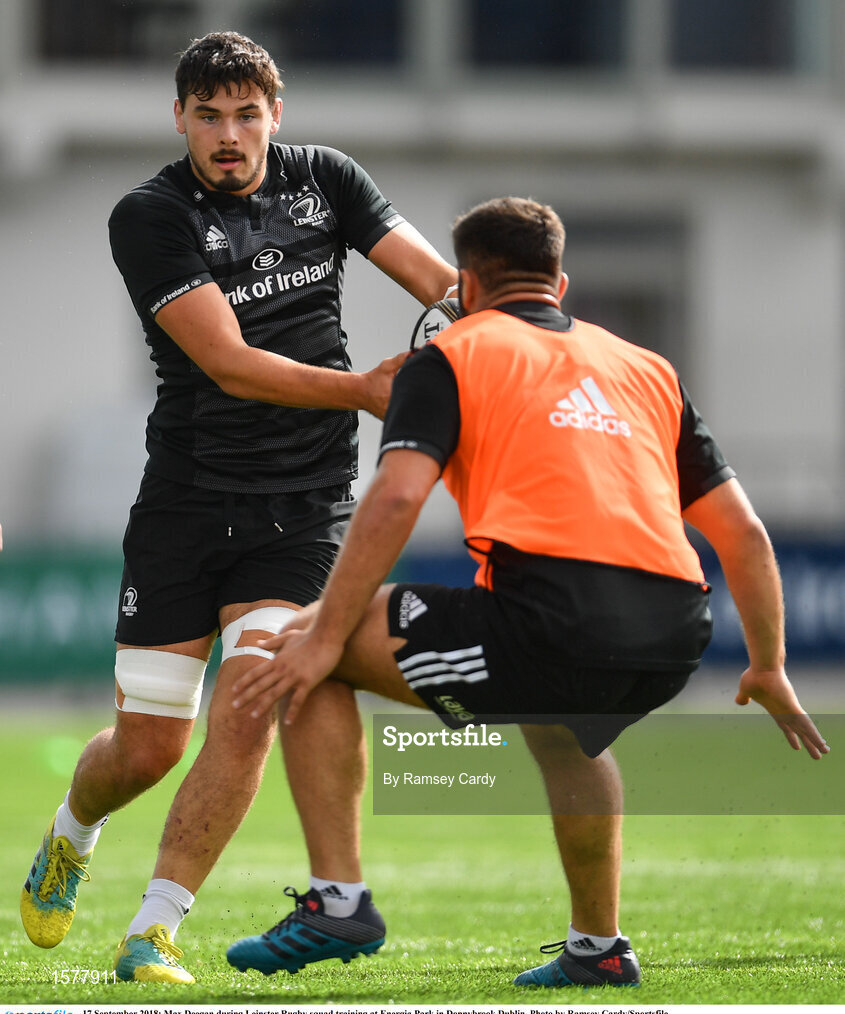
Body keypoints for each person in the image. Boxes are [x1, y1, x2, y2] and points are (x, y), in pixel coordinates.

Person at [225, 196, 828, 988]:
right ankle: (598, 950)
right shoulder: (645, 366)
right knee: (564, 730)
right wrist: (768, 664)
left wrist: (328, 634)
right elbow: (742, 533)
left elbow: (396, 498)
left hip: (551, 615)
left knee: (301, 647)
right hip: (675, 628)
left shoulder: (454, 352)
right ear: (560, 282)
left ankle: (339, 904)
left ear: (466, 285)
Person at [20, 31, 456, 984]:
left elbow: (441, 284)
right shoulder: (147, 216)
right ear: (178, 118)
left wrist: (503, 319)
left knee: (255, 698)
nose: (228, 134)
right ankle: (71, 831)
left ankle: (153, 930)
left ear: (276, 114)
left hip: (304, 511)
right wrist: (367, 390)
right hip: (185, 503)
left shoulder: (327, 181)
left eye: (245, 114)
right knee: (146, 748)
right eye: (208, 115)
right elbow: (228, 362)